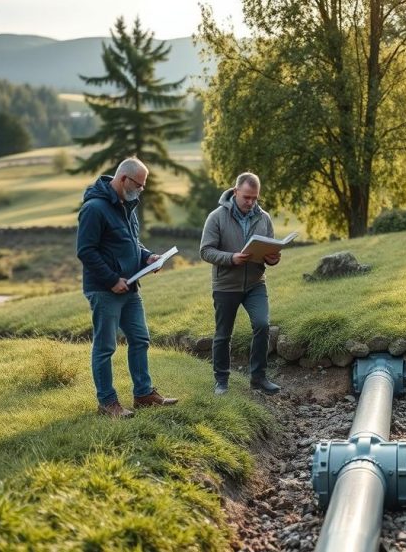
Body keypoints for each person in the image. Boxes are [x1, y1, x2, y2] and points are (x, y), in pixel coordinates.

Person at [77, 157, 178, 418]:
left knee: (140, 339)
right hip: (104, 289)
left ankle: (144, 394)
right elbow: (86, 251)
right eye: (139, 184)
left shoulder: (127, 205)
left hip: (131, 287)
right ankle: (107, 403)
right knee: (105, 347)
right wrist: (112, 280)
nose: (141, 190)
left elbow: (131, 243)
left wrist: (148, 257)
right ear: (123, 179)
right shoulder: (94, 208)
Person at [200, 172, 282, 396]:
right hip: (226, 285)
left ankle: (258, 378)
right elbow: (205, 251)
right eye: (246, 197)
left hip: (256, 283)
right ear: (235, 192)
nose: (251, 202)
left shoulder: (263, 218)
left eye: (255, 198)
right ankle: (221, 381)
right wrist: (231, 258)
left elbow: (271, 249)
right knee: (223, 334)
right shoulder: (216, 217)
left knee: (262, 325)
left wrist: (272, 258)